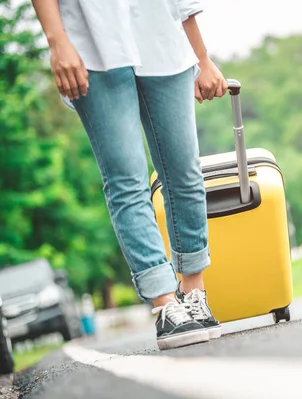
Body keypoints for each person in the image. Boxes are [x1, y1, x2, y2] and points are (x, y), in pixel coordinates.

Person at [31, 0, 226, 350]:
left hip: (163, 42)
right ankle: (165, 304)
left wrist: (203, 57)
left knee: (184, 172)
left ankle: (193, 291)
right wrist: (57, 41)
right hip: (91, 45)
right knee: (127, 181)